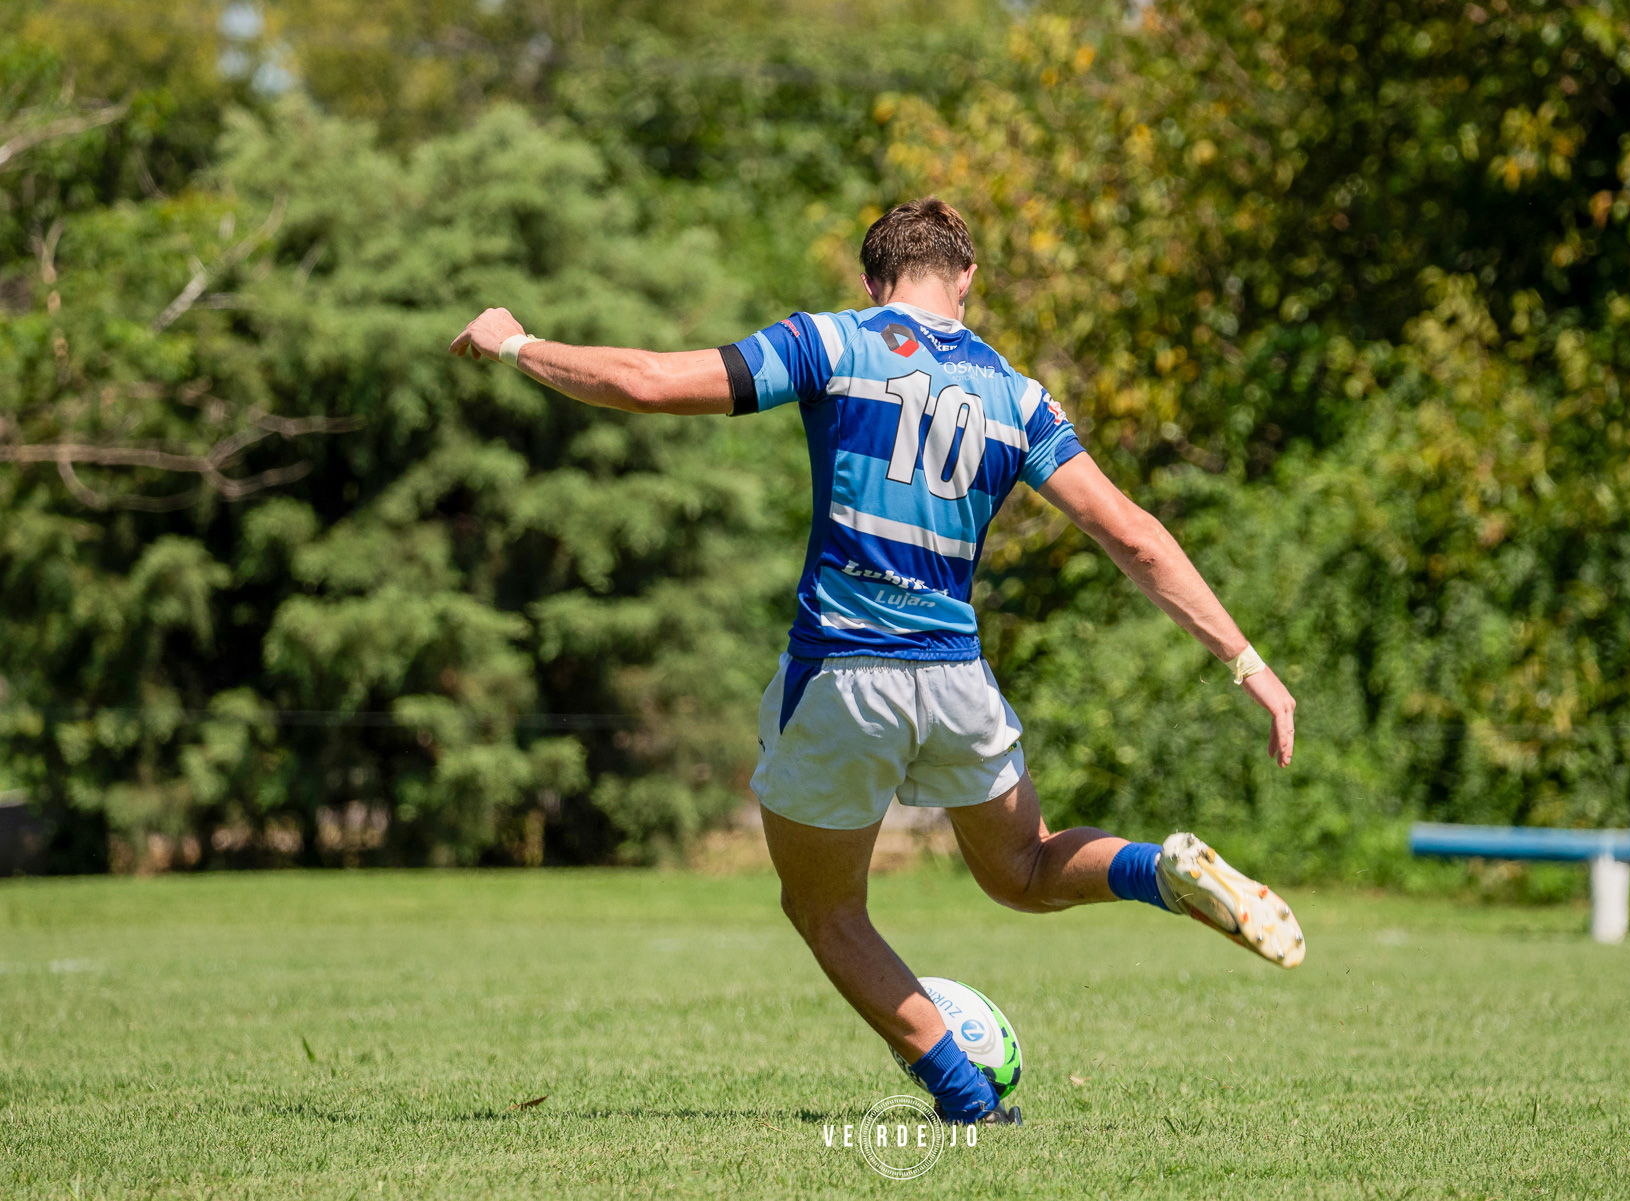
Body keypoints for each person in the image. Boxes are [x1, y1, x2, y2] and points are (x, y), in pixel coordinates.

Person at [451, 197, 1303, 1127]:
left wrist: (516, 345)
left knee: (826, 911)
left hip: (843, 676)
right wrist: (1245, 659)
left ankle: (969, 1099)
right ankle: (1157, 870)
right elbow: (1133, 536)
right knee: (1023, 868)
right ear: (967, 278)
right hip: (956, 677)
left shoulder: (831, 343)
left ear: (873, 279)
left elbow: (653, 382)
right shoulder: (1017, 396)